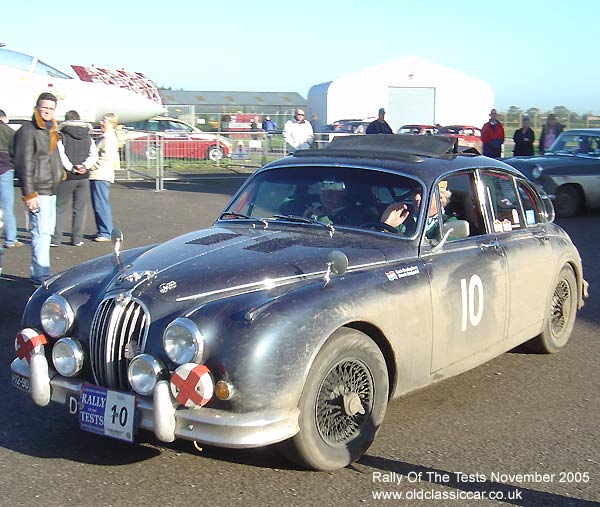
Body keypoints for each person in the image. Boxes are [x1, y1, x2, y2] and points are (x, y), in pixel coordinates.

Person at [13, 92, 64, 287]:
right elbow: (23, 163)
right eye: (45, 108)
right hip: (38, 191)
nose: (48, 111)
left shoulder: (51, 130)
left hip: (50, 190)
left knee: (47, 233)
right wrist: (29, 193)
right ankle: (40, 276)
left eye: (51, 108)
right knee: (40, 233)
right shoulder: (28, 130)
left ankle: (43, 272)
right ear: (37, 107)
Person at [51, 110, 99, 247]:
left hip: (67, 177)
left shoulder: (62, 136)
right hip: (84, 177)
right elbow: (93, 155)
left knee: (60, 208)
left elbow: (61, 156)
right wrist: (84, 166)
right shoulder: (88, 137)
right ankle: (77, 239)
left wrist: (72, 168)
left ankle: (56, 239)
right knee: (80, 209)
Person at [89, 112, 119, 242]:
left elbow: (105, 158)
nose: (101, 123)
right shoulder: (105, 137)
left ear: (111, 124)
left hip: (101, 174)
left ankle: (105, 232)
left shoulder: (109, 139)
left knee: (101, 204)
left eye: (104, 121)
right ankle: (102, 229)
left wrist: (91, 166)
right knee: (98, 203)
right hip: (99, 174)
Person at [0, 109, 22, 248]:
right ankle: (10, 239)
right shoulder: (9, 131)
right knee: (6, 206)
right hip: (5, 170)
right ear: (4, 118)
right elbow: (16, 151)